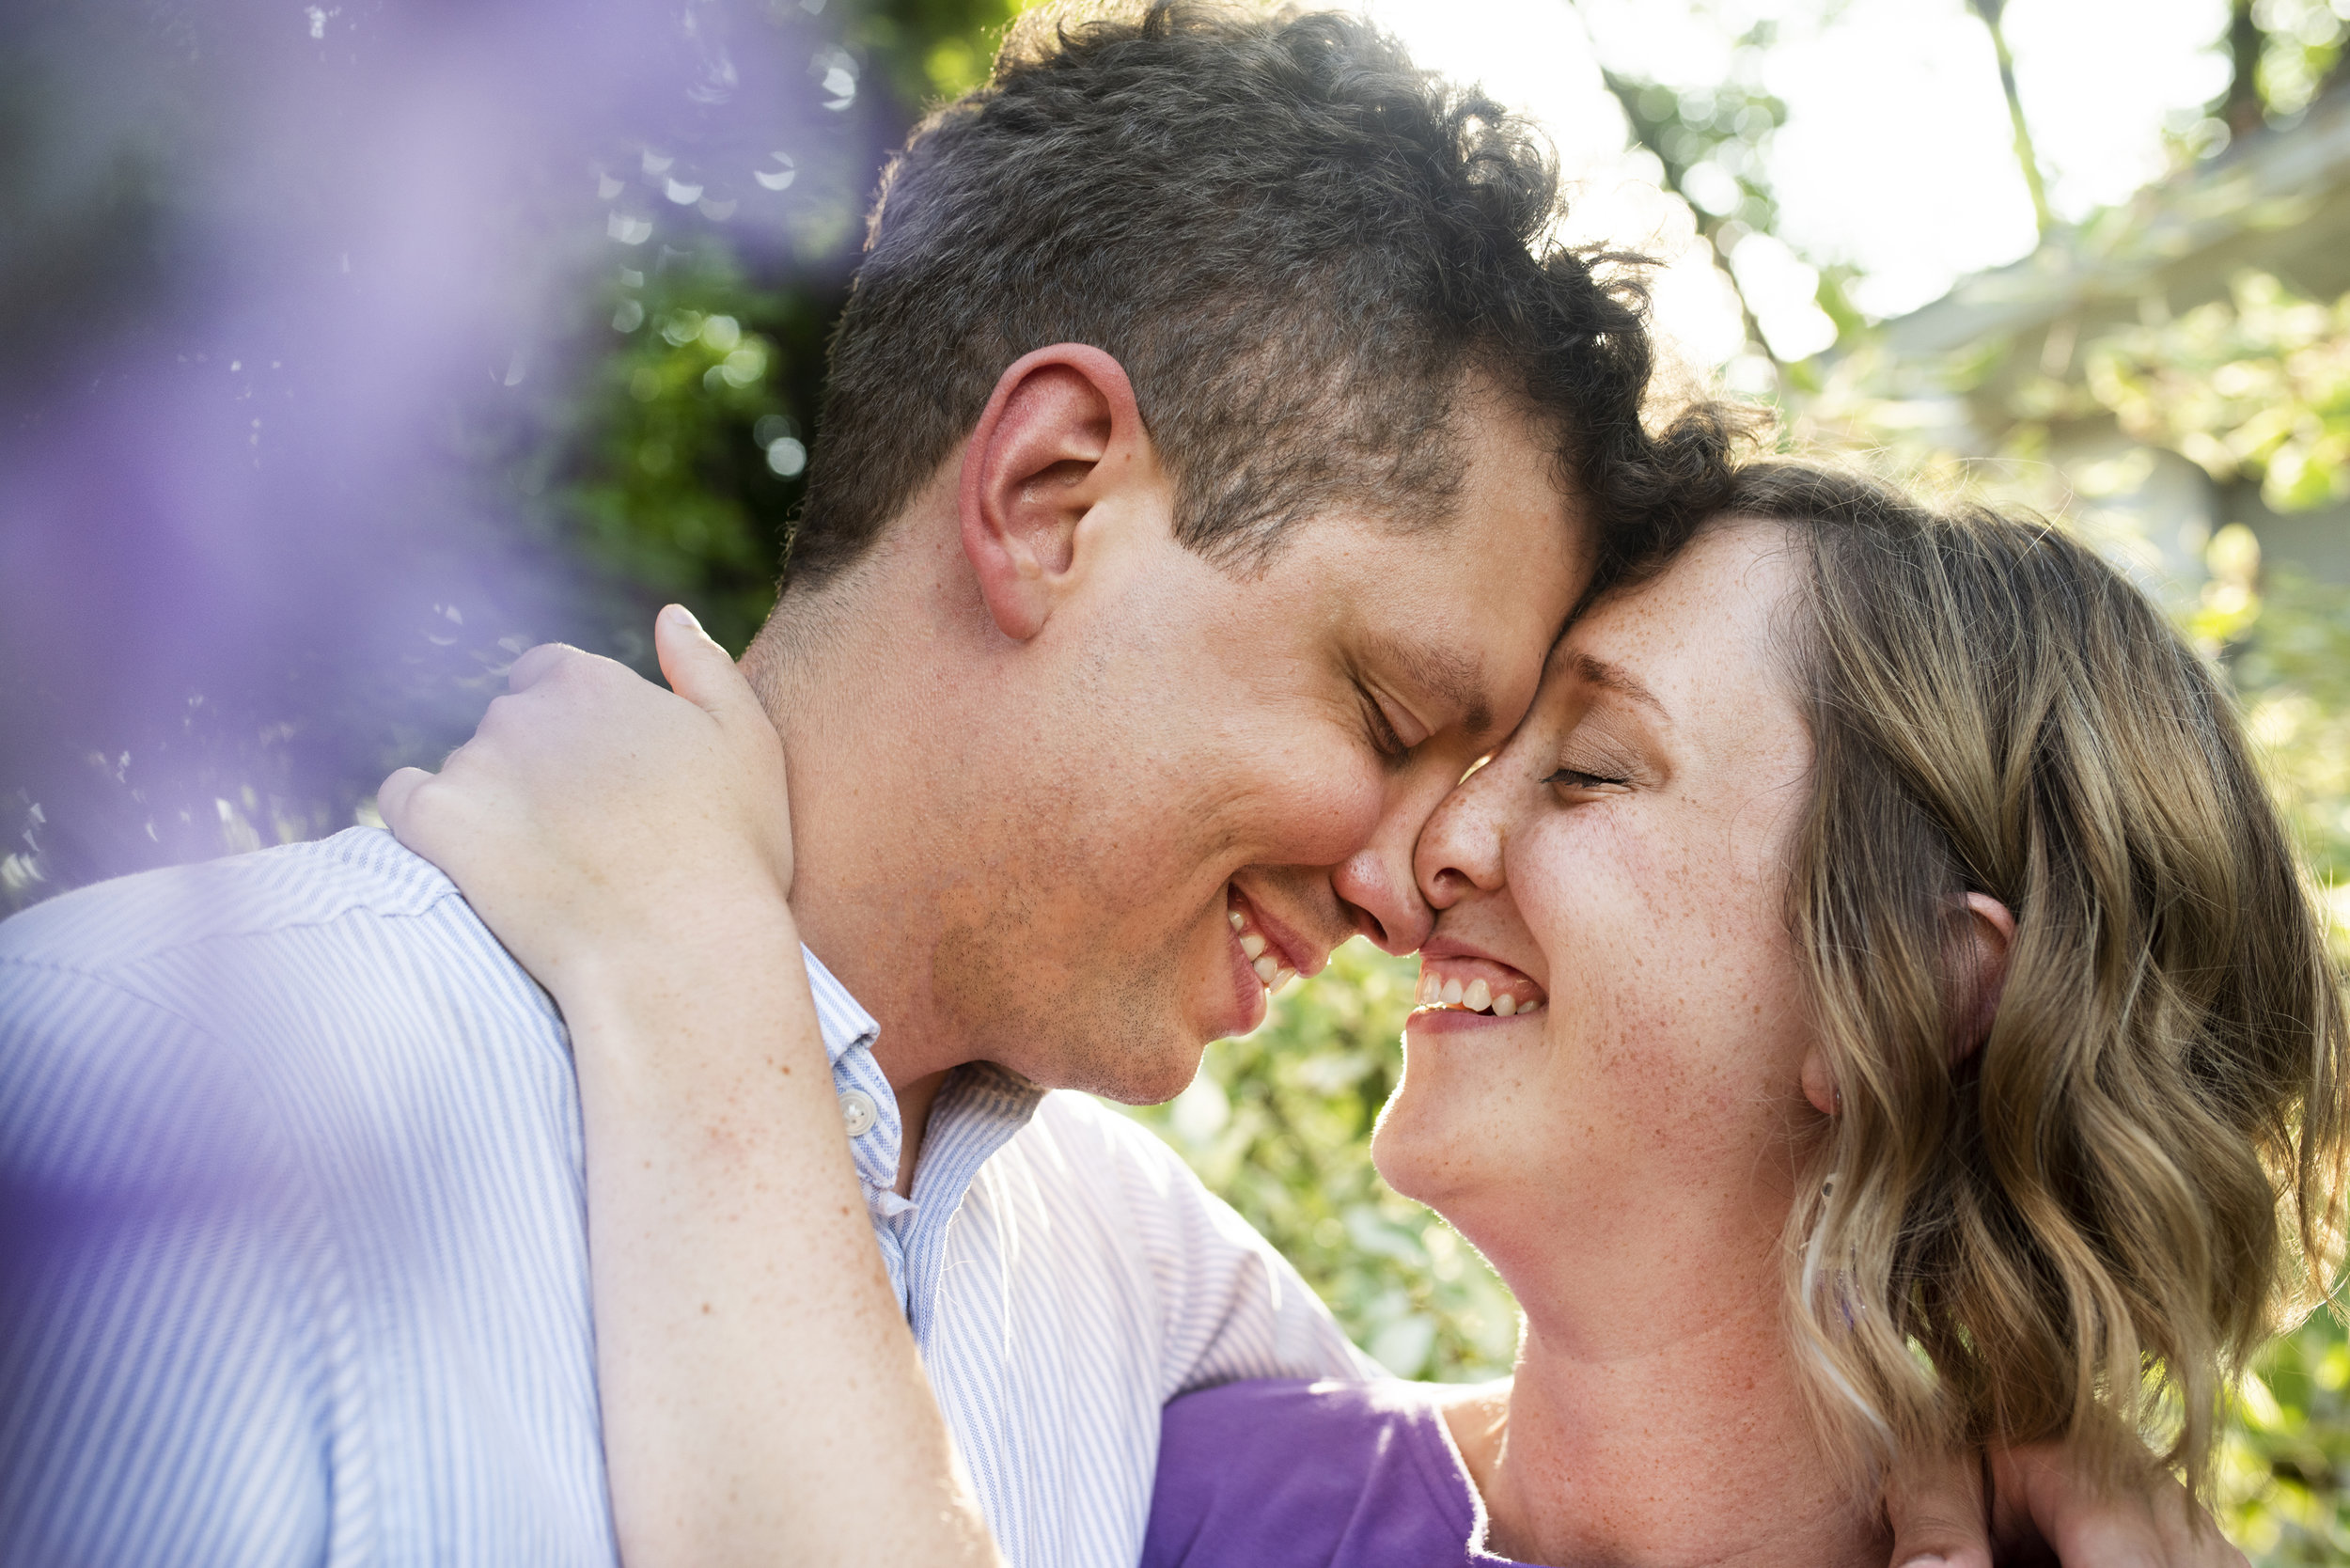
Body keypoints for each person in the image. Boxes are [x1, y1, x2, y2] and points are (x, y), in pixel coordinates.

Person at [0, 8, 1723, 1565]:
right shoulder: (131, 1086)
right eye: (1387, 707)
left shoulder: (1149, 1290)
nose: (1412, 874)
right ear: (1051, 496)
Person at [388, 462, 2345, 1568]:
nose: (1428, 854)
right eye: (1455, 748)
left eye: (1586, 774)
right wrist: (704, 944)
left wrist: (677, 942)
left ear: (1922, 999)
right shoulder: (1204, 1466)